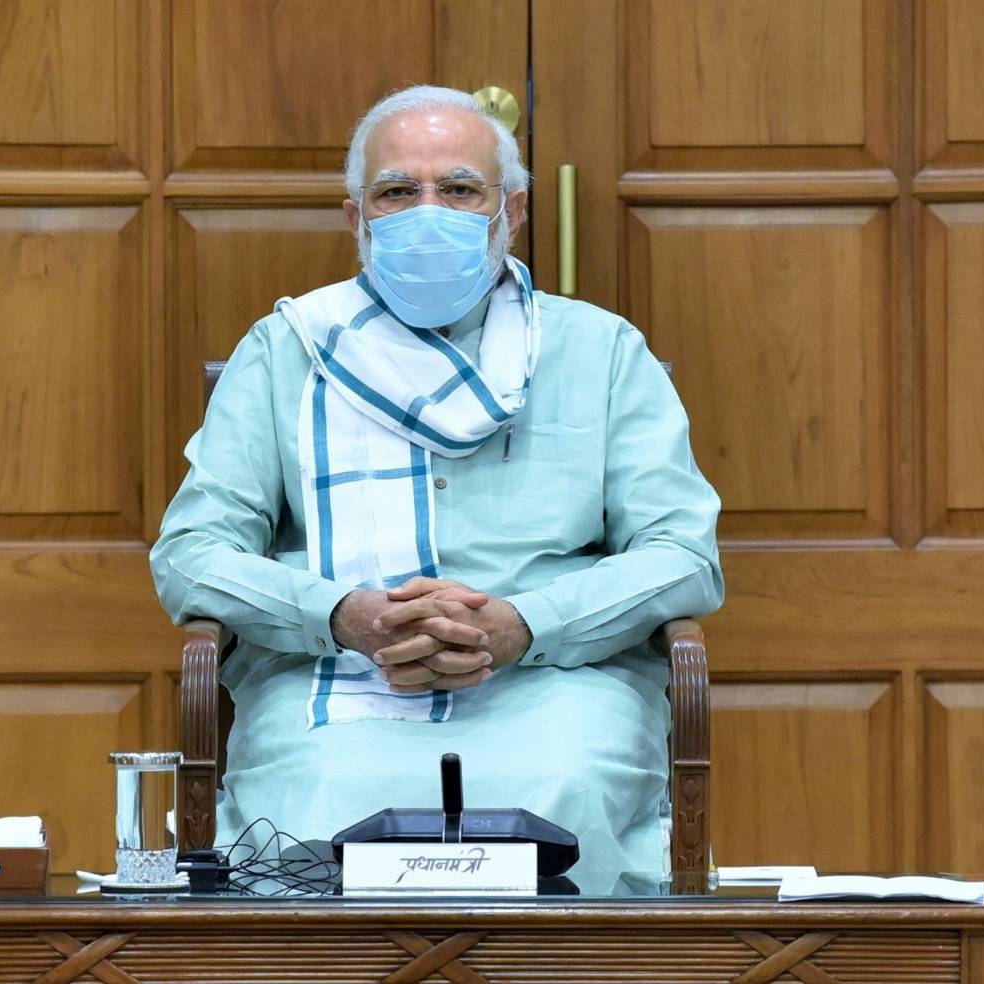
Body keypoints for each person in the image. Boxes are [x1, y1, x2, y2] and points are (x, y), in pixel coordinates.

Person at [150, 85, 723, 892]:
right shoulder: (288, 351)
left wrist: (526, 624)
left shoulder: (600, 351)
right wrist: (344, 616)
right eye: (396, 191)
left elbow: (683, 555)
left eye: (458, 189)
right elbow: (191, 554)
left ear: (511, 211)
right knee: (316, 801)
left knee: (562, 791)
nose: (429, 211)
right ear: (357, 219)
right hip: (336, 677)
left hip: (554, 678)